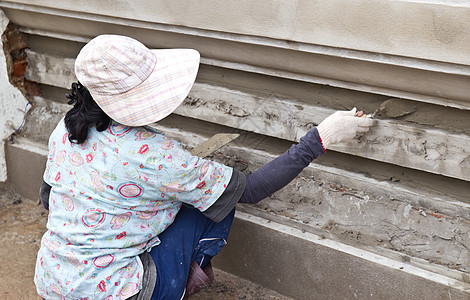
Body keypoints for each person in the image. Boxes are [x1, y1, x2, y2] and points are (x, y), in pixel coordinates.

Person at [35, 34, 374, 300]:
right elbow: (251, 190)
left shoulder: (68, 129)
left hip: (54, 282)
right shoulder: (159, 156)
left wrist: (124, 213)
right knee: (216, 203)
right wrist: (321, 138)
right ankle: (174, 287)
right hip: (123, 293)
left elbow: (49, 197)